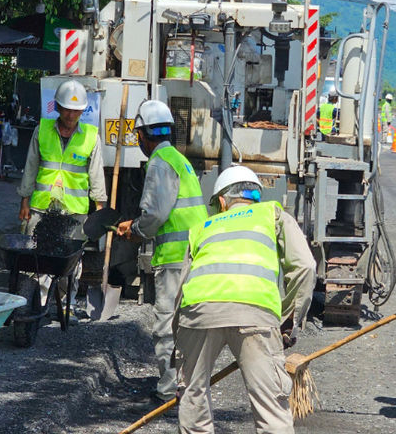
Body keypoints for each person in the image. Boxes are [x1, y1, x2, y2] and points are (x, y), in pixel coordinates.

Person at [173, 165, 316, 434]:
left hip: (199, 313)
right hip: (255, 314)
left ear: (223, 201)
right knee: (271, 408)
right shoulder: (271, 212)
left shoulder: (202, 227)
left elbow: (180, 292)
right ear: (255, 196)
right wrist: (288, 320)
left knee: (193, 399)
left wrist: (179, 352)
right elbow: (306, 267)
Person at [116, 100, 208, 402]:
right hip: (195, 253)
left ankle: (170, 392)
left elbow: (155, 215)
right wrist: (137, 224)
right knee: (189, 324)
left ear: (143, 134)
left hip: (174, 258)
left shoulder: (158, 162)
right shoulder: (178, 159)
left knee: (166, 326)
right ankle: (188, 385)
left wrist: (136, 231)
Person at [17, 79, 107, 319]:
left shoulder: (91, 136)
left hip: (74, 210)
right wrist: (24, 201)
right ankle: (37, 302)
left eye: (76, 110)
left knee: (71, 260)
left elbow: (96, 174)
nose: (71, 114)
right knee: (36, 257)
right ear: (57, 107)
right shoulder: (42, 129)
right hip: (41, 206)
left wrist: (99, 208)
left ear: (83, 110)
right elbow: (31, 167)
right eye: (67, 109)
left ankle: (64, 306)